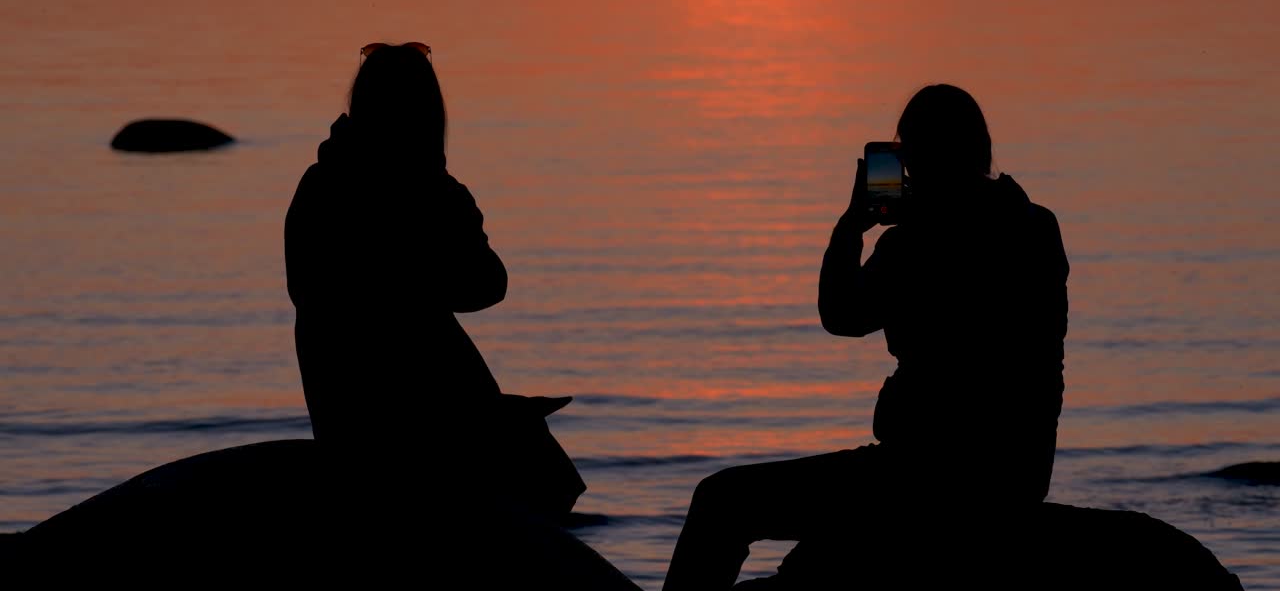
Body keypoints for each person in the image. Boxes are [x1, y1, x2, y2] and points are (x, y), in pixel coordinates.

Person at [662, 84, 1069, 591]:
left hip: (924, 478)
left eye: (909, 156)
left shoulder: (918, 243)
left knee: (722, 500)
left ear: (918, 159)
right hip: (1018, 475)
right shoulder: (1037, 226)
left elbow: (841, 315)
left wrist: (853, 224)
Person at [284, 42, 584, 522]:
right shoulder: (424, 192)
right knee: (542, 480)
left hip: (345, 407)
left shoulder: (320, 183)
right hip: (414, 415)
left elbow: (315, 295)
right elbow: (483, 286)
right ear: (426, 114)